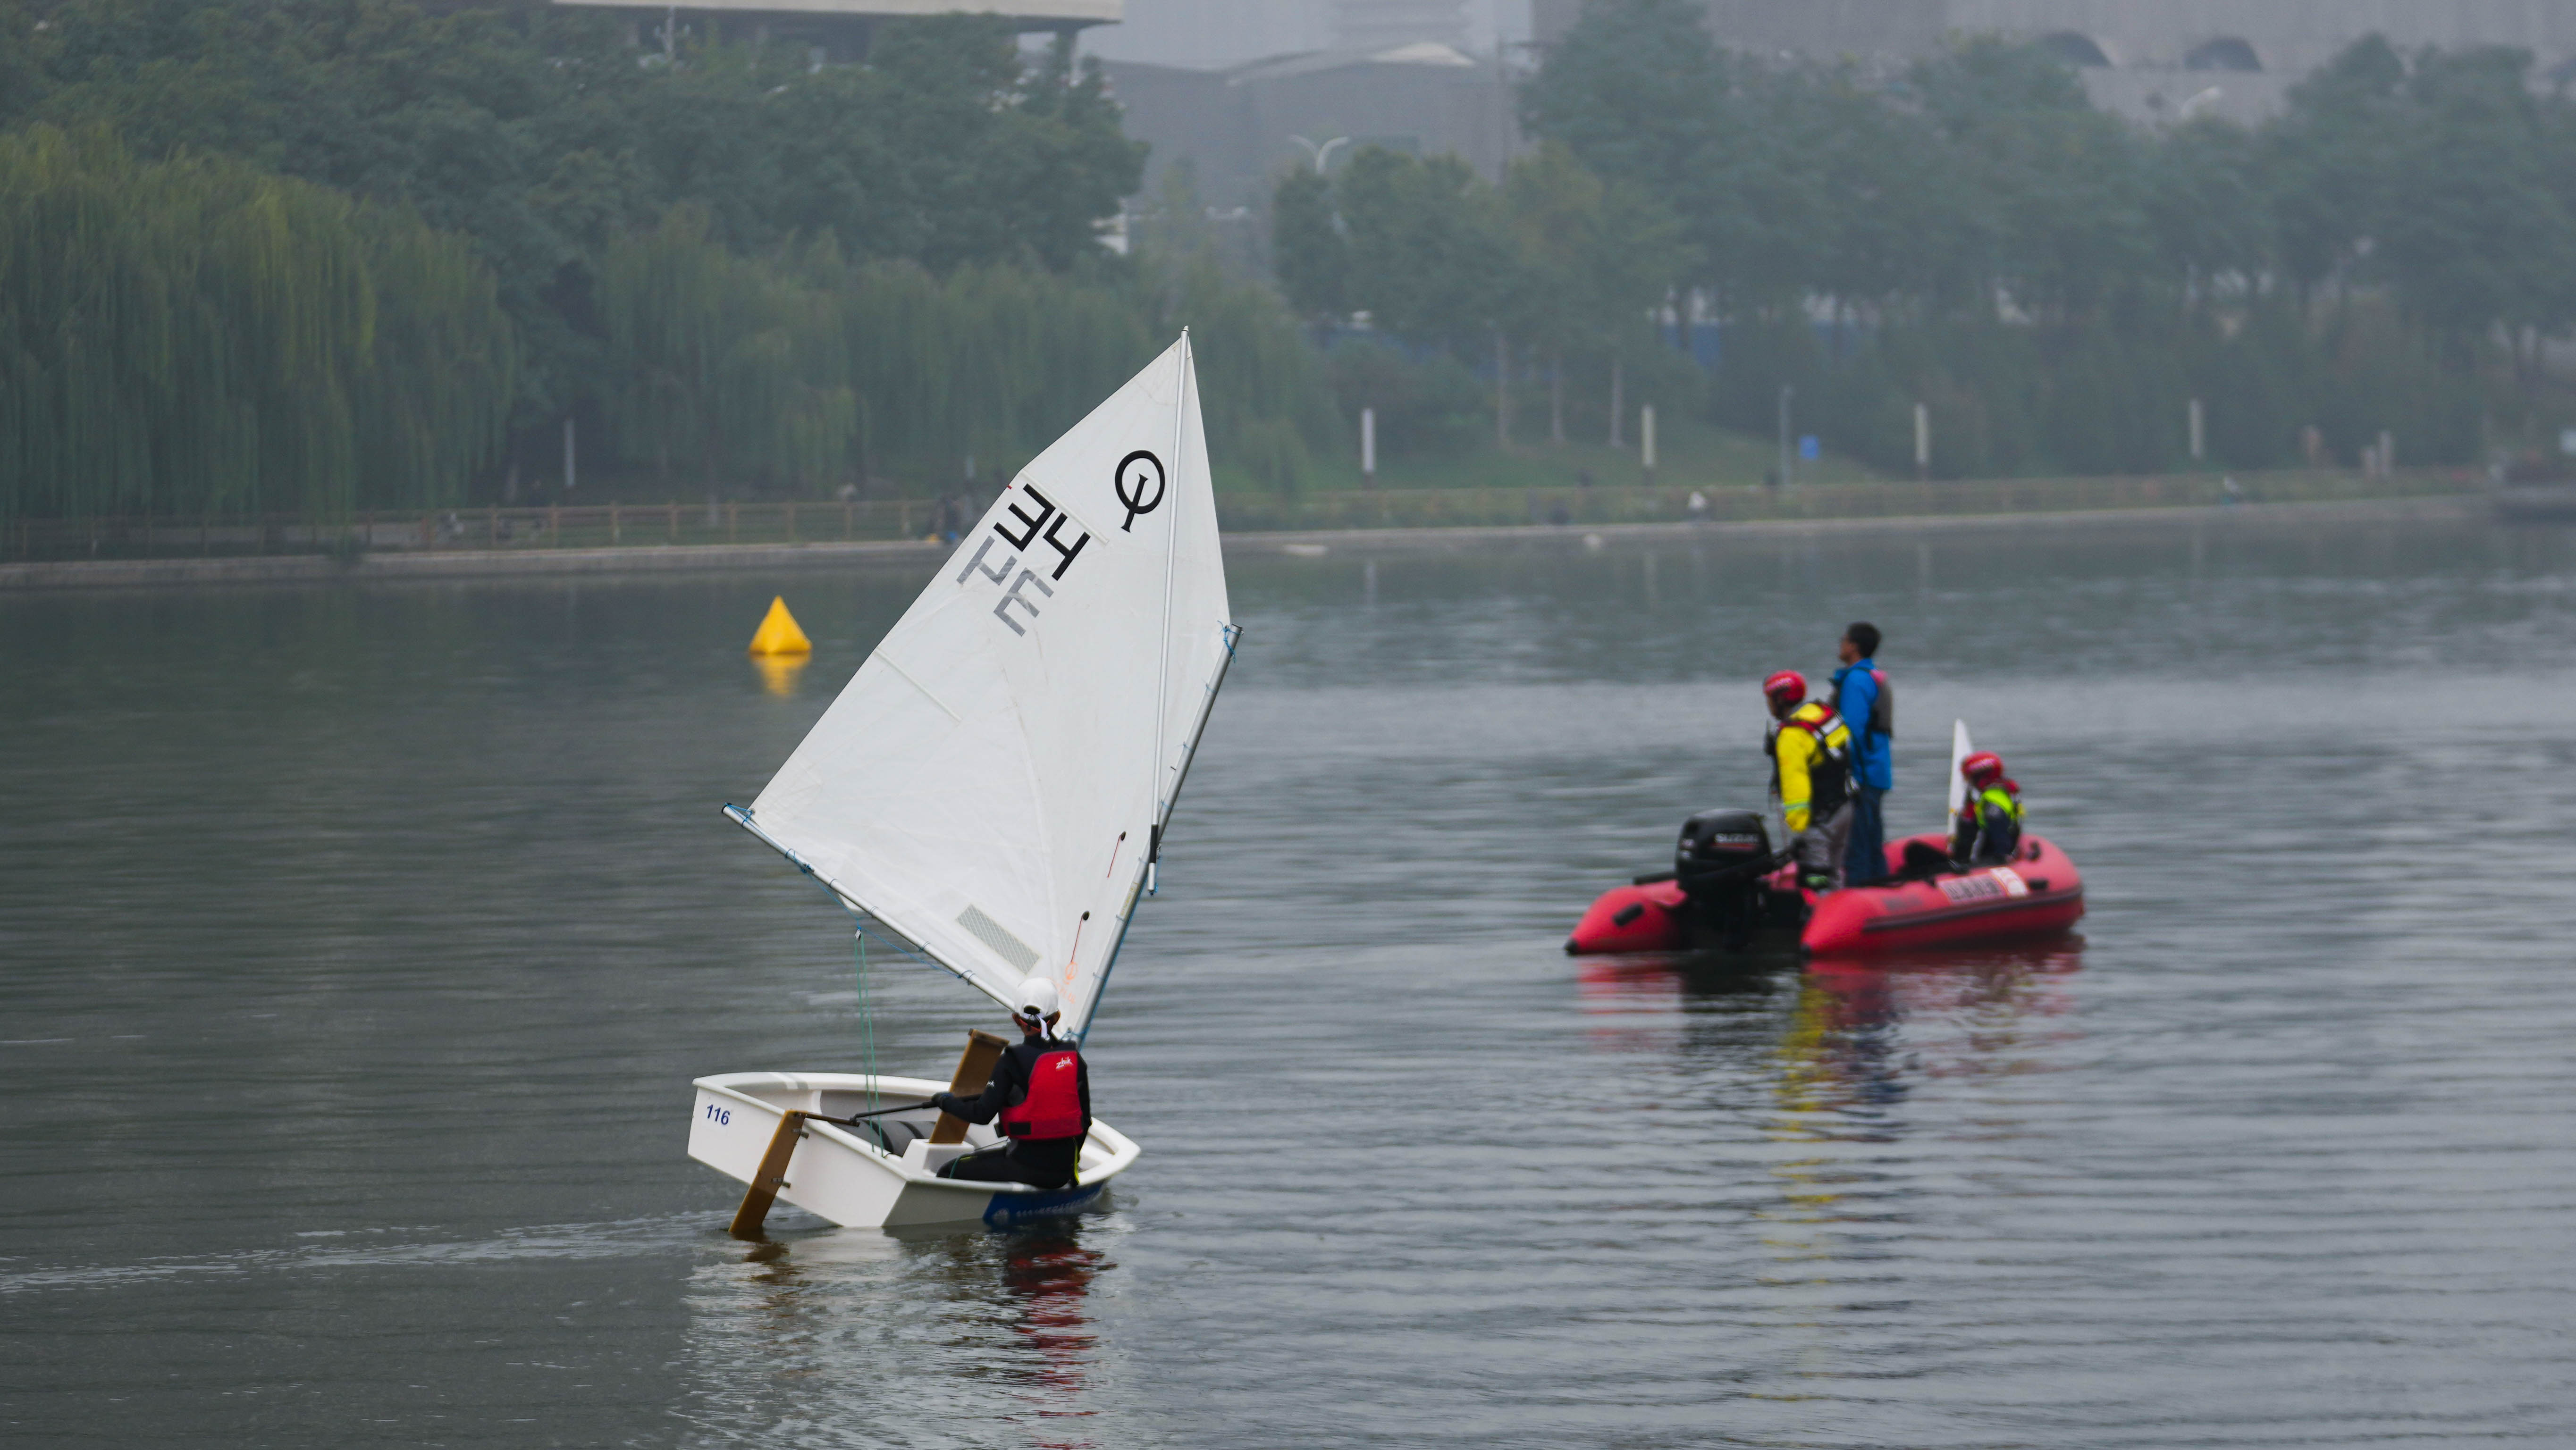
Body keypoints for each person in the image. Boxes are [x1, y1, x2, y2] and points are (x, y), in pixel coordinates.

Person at [929, 976, 1092, 1190]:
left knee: (948, 1170)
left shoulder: (1010, 1061)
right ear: (1057, 1017)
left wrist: (945, 1101)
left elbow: (981, 1114)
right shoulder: (1074, 1061)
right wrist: (1071, 1166)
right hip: (1062, 1172)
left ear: (1016, 1019)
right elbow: (1085, 1122)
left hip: (1024, 1166)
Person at [1763, 670, 1856, 893]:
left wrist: (1800, 830)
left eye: (1769, 700)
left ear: (1780, 699)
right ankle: (1839, 914)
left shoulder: (1792, 735)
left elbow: (1796, 784)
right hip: (1845, 807)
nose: (1768, 705)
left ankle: (1822, 919)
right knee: (1835, 873)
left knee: (1816, 879)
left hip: (1820, 820)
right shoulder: (1821, 712)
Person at [1829, 622, 1894, 886]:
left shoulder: (1856, 680)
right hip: (1876, 769)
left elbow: (1851, 730)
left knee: (1857, 842)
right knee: (1872, 836)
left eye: (1843, 640)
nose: (1841, 644)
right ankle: (1880, 883)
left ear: (1853, 646)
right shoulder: (1873, 676)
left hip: (1861, 773)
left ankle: (1860, 890)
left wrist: (1842, 771)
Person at [1949, 750, 2024, 865]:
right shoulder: (2003, 793)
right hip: (1985, 858)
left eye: (1969, 777)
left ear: (1980, 776)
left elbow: (1999, 840)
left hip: (1985, 863)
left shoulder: (1992, 802)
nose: (1968, 782)